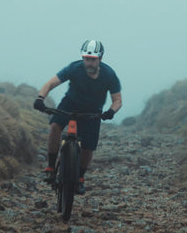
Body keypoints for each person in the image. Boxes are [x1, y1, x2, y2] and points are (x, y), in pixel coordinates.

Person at [33, 40, 122, 195]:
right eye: (86, 58)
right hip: (70, 104)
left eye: (93, 59)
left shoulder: (109, 74)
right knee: (55, 126)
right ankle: (50, 167)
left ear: (100, 59)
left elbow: (118, 100)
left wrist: (111, 111)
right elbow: (50, 84)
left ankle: (80, 177)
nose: (89, 63)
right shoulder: (74, 68)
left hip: (93, 111)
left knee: (88, 147)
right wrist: (40, 98)